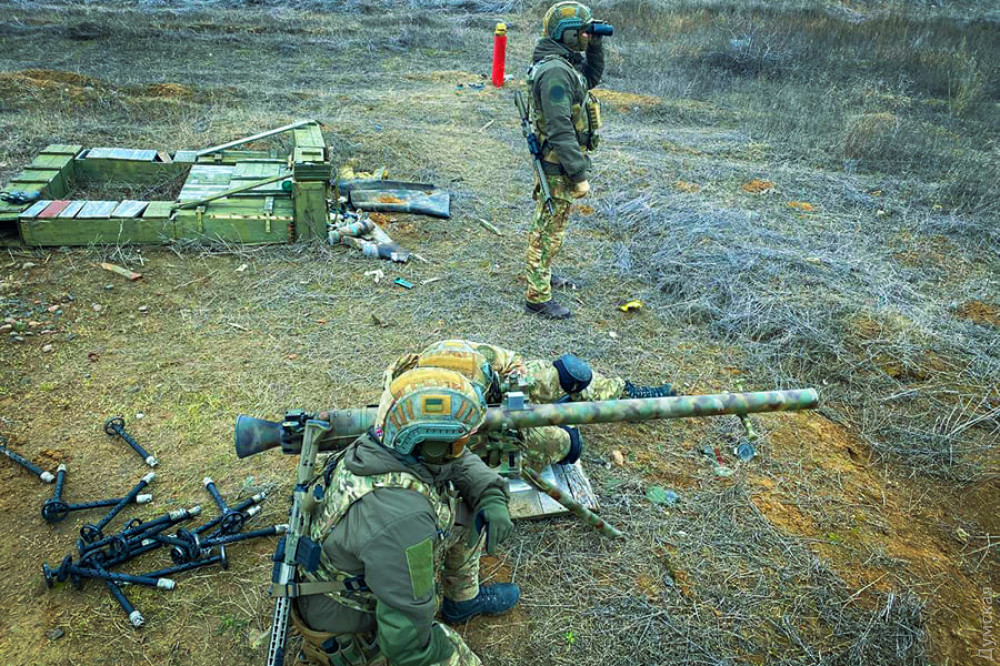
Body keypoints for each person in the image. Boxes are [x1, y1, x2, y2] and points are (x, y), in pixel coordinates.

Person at [292, 366, 519, 666]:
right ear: (431, 445)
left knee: (467, 514)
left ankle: (462, 599)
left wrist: (489, 493)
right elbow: (406, 646)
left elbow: (457, 460)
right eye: (459, 441)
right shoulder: (403, 521)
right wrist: (440, 647)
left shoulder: (385, 443)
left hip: (360, 579)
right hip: (353, 628)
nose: (462, 449)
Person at [383, 340, 676, 471]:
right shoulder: (414, 411)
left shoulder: (458, 355)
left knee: (569, 375)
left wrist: (517, 385)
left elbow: (511, 361)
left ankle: (623, 394)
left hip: (495, 401)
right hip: (475, 435)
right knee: (568, 445)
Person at [524, 1, 607, 319]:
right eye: (583, 32)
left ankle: (541, 272)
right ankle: (537, 297)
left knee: (552, 225)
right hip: (557, 163)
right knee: (548, 229)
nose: (587, 35)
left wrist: (595, 47)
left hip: (559, 161)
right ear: (567, 34)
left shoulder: (563, 64)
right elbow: (559, 128)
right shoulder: (556, 72)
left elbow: (588, 80)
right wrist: (579, 174)